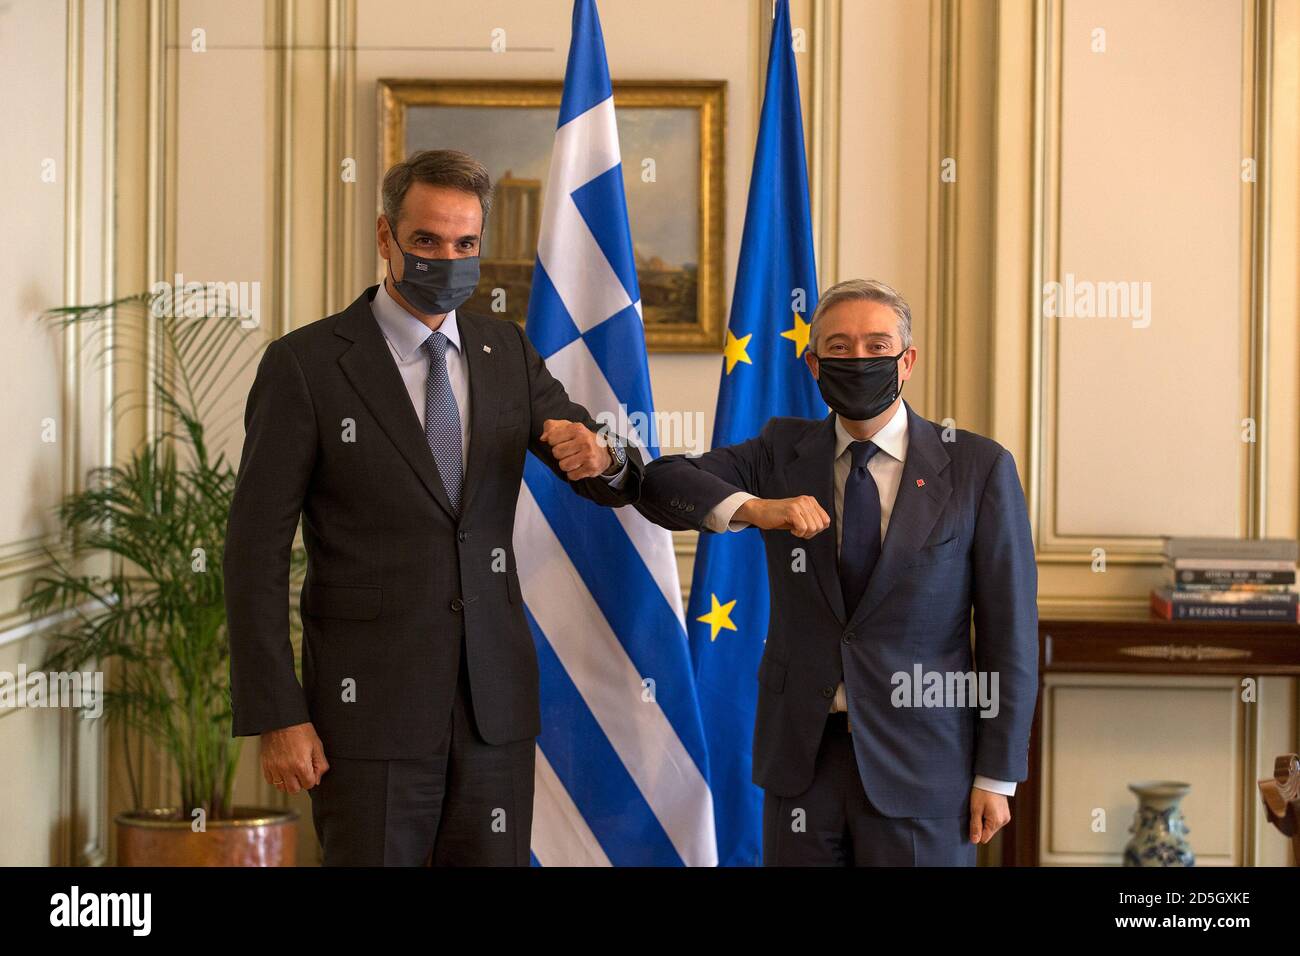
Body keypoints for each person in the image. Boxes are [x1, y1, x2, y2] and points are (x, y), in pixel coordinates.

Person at [224, 148, 641, 865]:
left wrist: (605, 454)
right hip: (366, 718)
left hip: (494, 714)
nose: (447, 258)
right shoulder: (307, 366)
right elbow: (253, 550)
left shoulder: (506, 352)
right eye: (426, 241)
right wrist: (279, 715)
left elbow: (597, 469)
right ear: (386, 238)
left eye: (465, 244)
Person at [633, 278, 1038, 865]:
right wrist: (756, 508)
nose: (860, 359)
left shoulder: (978, 467)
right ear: (814, 364)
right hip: (804, 762)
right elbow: (662, 481)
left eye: (878, 346)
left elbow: (1009, 636)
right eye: (841, 348)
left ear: (908, 361)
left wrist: (998, 775)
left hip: (926, 767)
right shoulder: (779, 451)